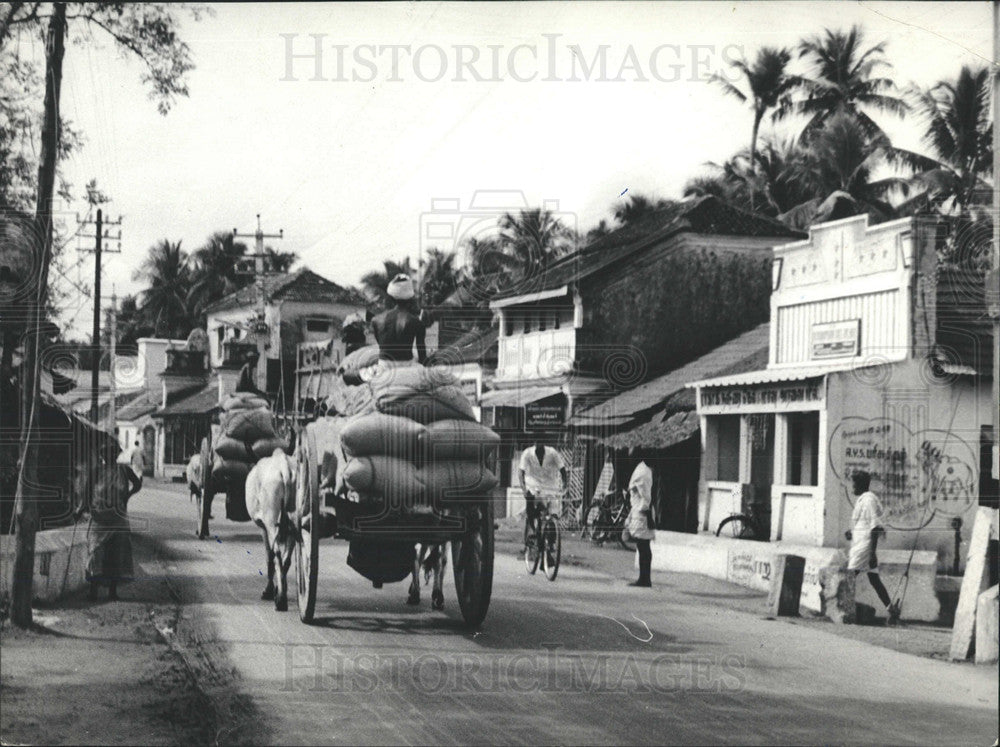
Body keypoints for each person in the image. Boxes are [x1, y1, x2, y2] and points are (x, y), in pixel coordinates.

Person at [76, 445, 139, 601]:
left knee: (116, 553)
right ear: (102, 456)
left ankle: (113, 592)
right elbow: (87, 492)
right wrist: (80, 509)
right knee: (95, 552)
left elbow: (137, 484)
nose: (109, 457)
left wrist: (128, 496)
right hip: (99, 518)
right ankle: (93, 591)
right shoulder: (96, 472)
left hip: (118, 518)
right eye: (106, 454)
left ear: (117, 455)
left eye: (113, 454)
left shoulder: (124, 470)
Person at [846, 471, 900, 625]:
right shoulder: (862, 500)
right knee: (874, 579)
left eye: (854, 484)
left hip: (864, 547)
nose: (852, 487)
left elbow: (875, 527)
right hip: (860, 544)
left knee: (849, 576)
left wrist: (871, 554)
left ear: (861, 485)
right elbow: (864, 523)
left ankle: (844, 609)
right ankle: (891, 609)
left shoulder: (868, 500)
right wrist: (852, 531)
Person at [518, 441, 568, 555]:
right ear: (534, 443)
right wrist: (524, 489)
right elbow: (520, 472)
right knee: (531, 503)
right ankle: (532, 531)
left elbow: (562, 470)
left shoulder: (552, 453)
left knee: (553, 516)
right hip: (533, 486)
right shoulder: (527, 453)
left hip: (551, 487)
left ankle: (551, 543)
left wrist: (565, 485)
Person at [370, 274, 432, 365]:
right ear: (410, 299)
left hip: (383, 366)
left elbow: (382, 346)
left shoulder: (375, 320)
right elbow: (422, 358)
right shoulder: (416, 322)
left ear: (390, 297)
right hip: (406, 367)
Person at [623, 460, 655, 587]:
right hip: (640, 510)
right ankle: (644, 577)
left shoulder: (643, 472)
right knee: (642, 546)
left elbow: (645, 495)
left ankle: (644, 578)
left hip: (642, 512)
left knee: (643, 545)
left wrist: (645, 509)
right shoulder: (642, 470)